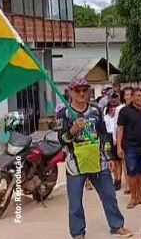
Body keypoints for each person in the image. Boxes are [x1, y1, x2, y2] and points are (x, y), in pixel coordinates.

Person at [57, 78, 132, 239]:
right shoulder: (64, 113)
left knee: (109, 196)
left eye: (85, 90)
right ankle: (78, 233)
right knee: (75, 203)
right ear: (70, 92)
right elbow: (61, 139)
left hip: (99, 162)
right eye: (77, 90)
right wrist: (73, 130)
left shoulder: (96, 110)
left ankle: (117, 226)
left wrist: (109, 157)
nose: (82, 93)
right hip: (75, 164)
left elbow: (104, 135)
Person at [117, 88, 141, 209]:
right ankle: (133, 197)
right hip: (130, 146)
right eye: (138, 96)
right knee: (131, 172)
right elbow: (120, 129)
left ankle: (140, 196)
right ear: (132, 97)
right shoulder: (125, 111)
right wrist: (119, 146)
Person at [104, 93, 123, 190]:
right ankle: (115, 178)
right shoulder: (105, 114)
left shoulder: (119, 111)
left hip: (115, 136)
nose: (112, 108)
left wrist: (116, 139)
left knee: (118, 160)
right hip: (108, 136)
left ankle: (119, 179)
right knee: (112, 160)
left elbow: (118, 127)